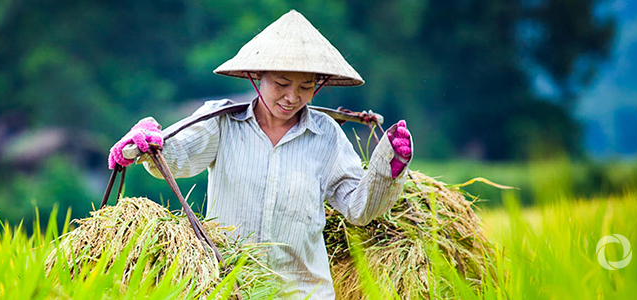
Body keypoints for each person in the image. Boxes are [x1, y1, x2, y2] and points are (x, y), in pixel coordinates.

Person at [108, 10, 412, 299]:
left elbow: (359, 208)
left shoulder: (327, 135)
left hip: (303, 293)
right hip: (230, 287)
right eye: (281, 84)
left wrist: (388, 166)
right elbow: (174, 159)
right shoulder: (222, 122)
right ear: (257, 76)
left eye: (305, 87)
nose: (292, 97)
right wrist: (150, 145)